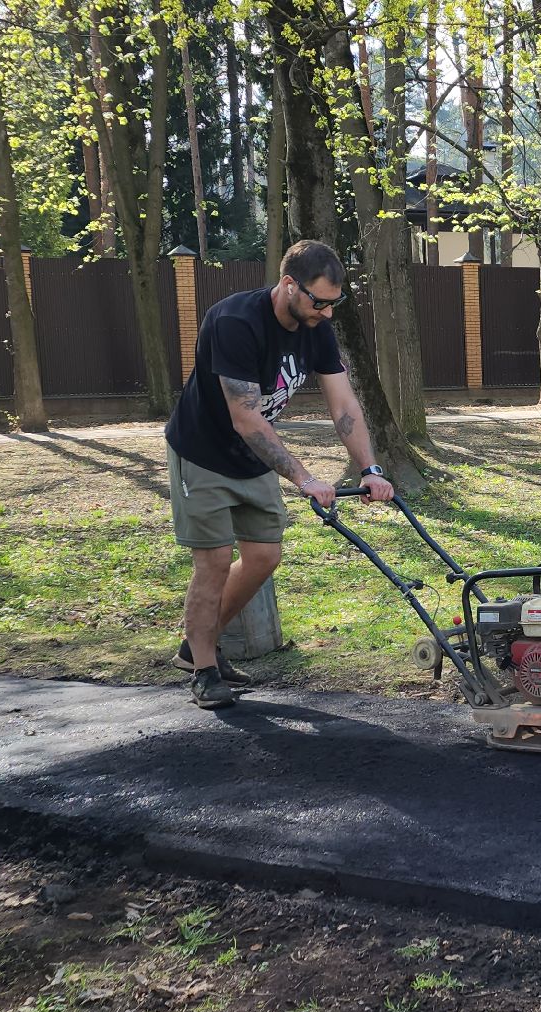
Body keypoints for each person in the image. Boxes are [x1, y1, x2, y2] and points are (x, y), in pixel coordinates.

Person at [163, 239, 393, 708]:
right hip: (203, 454)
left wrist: (370, 469)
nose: (327, 312)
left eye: (334, 302)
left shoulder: (317, 327)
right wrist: (305, 478)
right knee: (213, 561)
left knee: (264, 556)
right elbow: (246, 418)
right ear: (289, 284)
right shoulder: (235, 322)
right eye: (320, 302)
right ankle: (204, 668)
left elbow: (344, 405)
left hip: (254, 459)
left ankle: (197, 645)